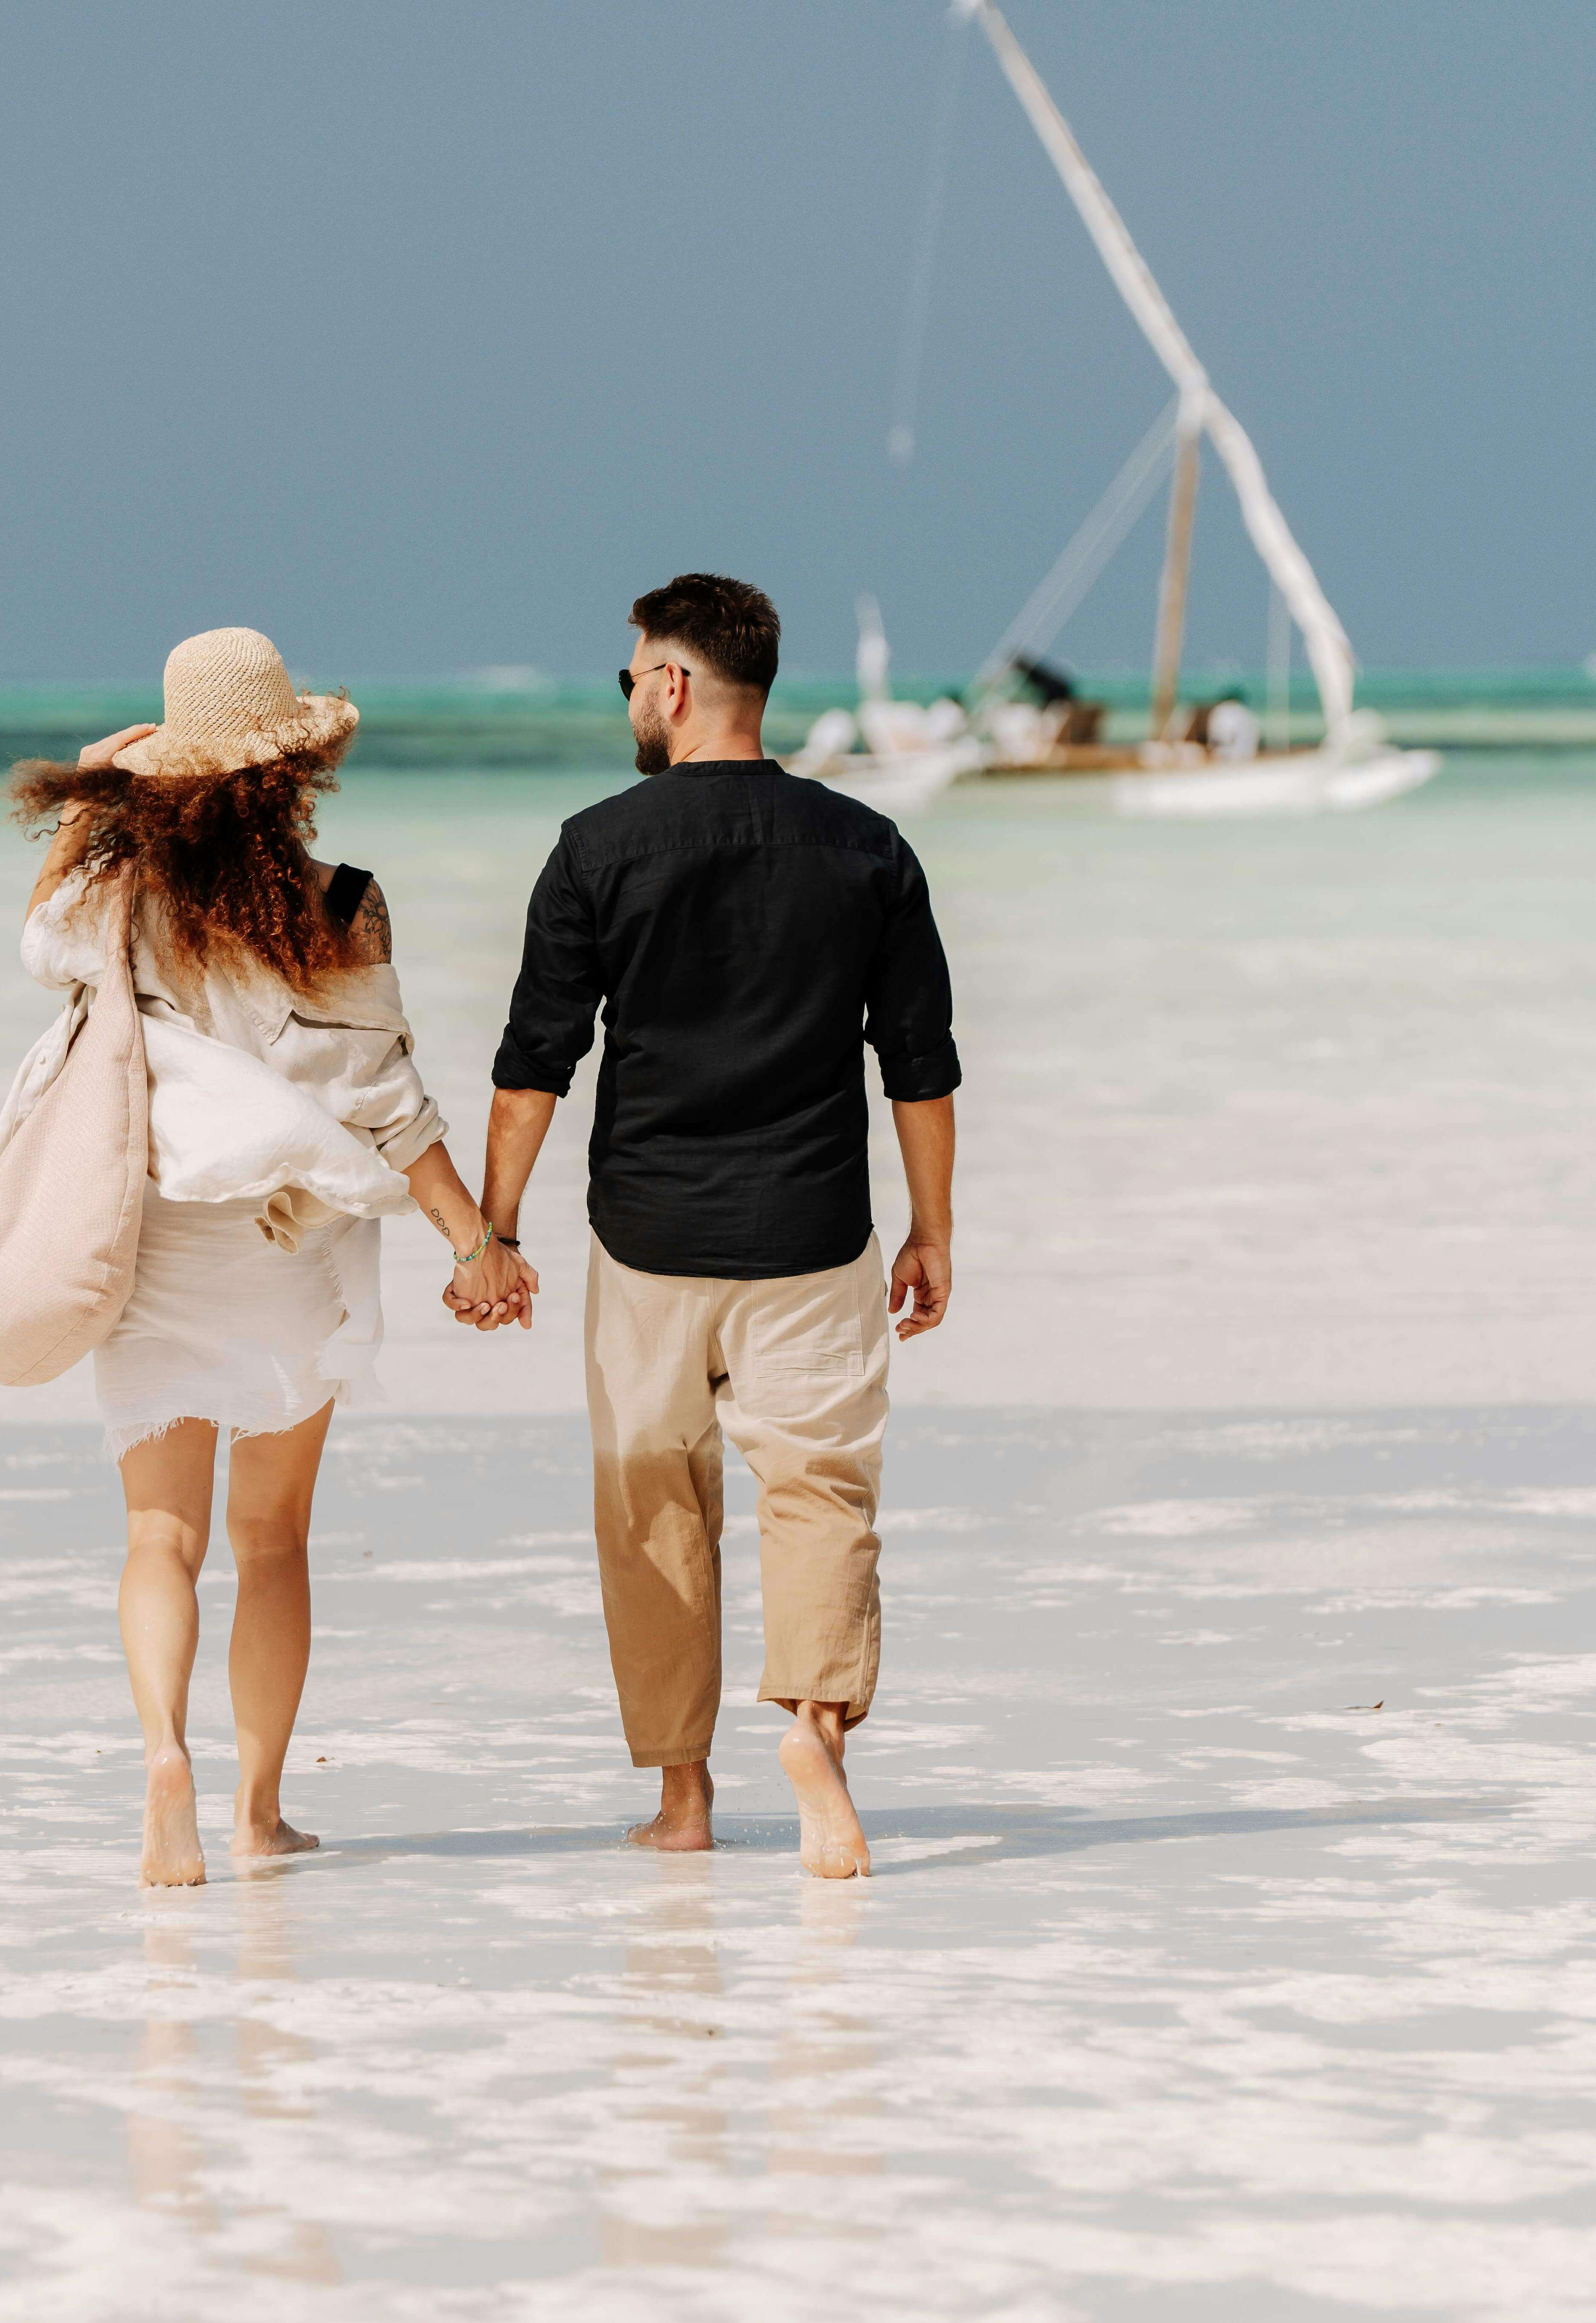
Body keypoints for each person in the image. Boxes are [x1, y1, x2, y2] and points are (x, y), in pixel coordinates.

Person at [0, 626, 531, 1888]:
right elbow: (388, 1100)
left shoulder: (110, 904)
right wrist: (480, 1246)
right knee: (274, 1538)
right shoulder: (343, 903)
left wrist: (108, 783)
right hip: (295, 1241)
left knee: (158, 1541)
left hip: (159, 1236)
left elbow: (38, 934)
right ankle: (256, 1812)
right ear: (295, 770)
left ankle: (163, 1761)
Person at [473, 574, 959, 1879]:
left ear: (676, 685)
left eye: (632, 675)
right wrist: (934, 1232)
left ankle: (686, 1799)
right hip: (813, 1231)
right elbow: (919, 1063)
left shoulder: (595, 847)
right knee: (820, 1494)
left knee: (654, 1503)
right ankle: (814, 1740)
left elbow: (537, 1064)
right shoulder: (869, 848)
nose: (630, 695)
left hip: (648, 1237)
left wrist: (493, 1233)